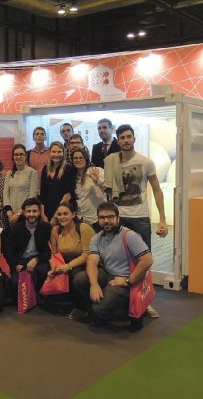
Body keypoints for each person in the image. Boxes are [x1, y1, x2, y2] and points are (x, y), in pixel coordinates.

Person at [103, 124, 167, 318]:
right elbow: (107, 191)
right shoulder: (111, 161)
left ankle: (145, 302)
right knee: (118, 261)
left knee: (143, 262)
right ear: (118, 140)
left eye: (128, 137)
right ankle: (124, 301)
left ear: (134, 138)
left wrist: (162, 219)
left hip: (140, 218)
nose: (126, 140)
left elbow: (157, 190)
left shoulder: (146, 162)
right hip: (118, 218)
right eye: (122, 137)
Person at [72, 202, 153, 331]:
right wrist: (94, 285)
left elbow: (147, 260)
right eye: (102, 217)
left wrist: (128, 281)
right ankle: (102, 307)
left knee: (98, 310)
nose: (106, 221)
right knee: (80, 279)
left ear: (118, 218)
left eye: (110, 217)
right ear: (98, 219)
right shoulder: (97, 238)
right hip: (109, 274)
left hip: (126, 279)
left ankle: (126, 312)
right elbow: (92, 261)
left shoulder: (129, 235)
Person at [46, 202, 95, 310]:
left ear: (73, 214)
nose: (62, 217)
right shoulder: (56, 229)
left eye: (65, 214)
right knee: (44, 270)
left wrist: (68, 266)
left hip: (83, 263)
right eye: (59, 214)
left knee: (75, 273)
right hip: (63, 262)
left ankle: (81, 306)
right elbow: (54, 253)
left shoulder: (83, 227)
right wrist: (53, 267)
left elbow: (87, 254)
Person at [4, 198, 51, 291]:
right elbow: (8, 252)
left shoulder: (46, 228)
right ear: (24, 213)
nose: (31, 214)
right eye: (28, 211)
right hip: (20, 261)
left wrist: (37, 259)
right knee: (16, 282)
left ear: (39, 213)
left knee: (42, 271)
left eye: (34, 211)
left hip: (39, 261)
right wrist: (16, 264)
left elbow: (49, 252)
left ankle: (40, 296)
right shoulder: (15, 229)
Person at [3, 143, 40, 226]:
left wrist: (19, 213)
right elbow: (5, 193)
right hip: (10, 216)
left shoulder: (32, 173)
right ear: (13, 157)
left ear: (26, 156)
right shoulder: (9, 173)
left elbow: (32, 196)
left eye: (21, 154)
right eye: (16, 154)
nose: (18, 157)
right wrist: (8, 211)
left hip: (26, 215)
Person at [39, 141, 75, 223]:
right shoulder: (45, 169)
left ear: (63, 153)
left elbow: (68, 195)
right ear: (49, 153)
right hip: (47, 211)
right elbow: (42, 194)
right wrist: (43, 215)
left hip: (62, 212)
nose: (56, 154)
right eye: (54, 151)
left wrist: (56, 216)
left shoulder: (68, 168)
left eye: (59, 152)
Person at [72, 149, 105, 230]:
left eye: (81, 157)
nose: (78, 160)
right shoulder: (73, 176)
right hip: (81, 219)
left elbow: (109, 189)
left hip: (96, 219)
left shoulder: (96, 171)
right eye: (75, 158)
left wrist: (98, 181)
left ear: (86, 159)